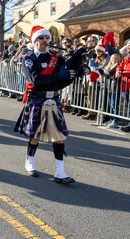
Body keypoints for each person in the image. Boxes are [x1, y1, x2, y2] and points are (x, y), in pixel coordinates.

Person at [14, 25, 80, 184]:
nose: (45, 41)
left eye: (47, 38)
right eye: (41, 38)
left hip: (54, 100)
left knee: (58, 137)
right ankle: (29, 161)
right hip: (38, 99)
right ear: (34, 41)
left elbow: (66, 77)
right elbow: (36, 80)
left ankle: (60, 172)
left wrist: (77, 63)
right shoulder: (29, 59)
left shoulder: (56, 57)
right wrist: (59, 75)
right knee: (35, 135)